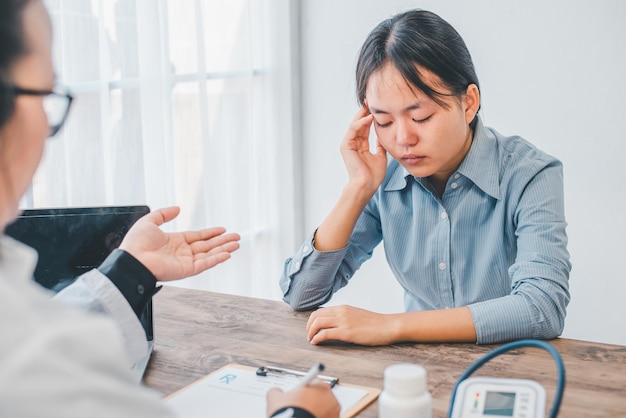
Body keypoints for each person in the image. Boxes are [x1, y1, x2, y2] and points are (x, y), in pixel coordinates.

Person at [0, 0, 340, 417]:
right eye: (47, 95)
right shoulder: (29, 363)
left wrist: (131, 269)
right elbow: (303, 290)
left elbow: (47, 331)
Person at [280, 9, 571, 346]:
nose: (403, 139)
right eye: (384, 121)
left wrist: (392, 326)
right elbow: (301, 295)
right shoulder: (383, 180)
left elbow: (542, 308)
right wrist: (357, 188)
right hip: (419, 372)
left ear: (468, 103)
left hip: (509, 371)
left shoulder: (530, 174)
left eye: (421, 116)